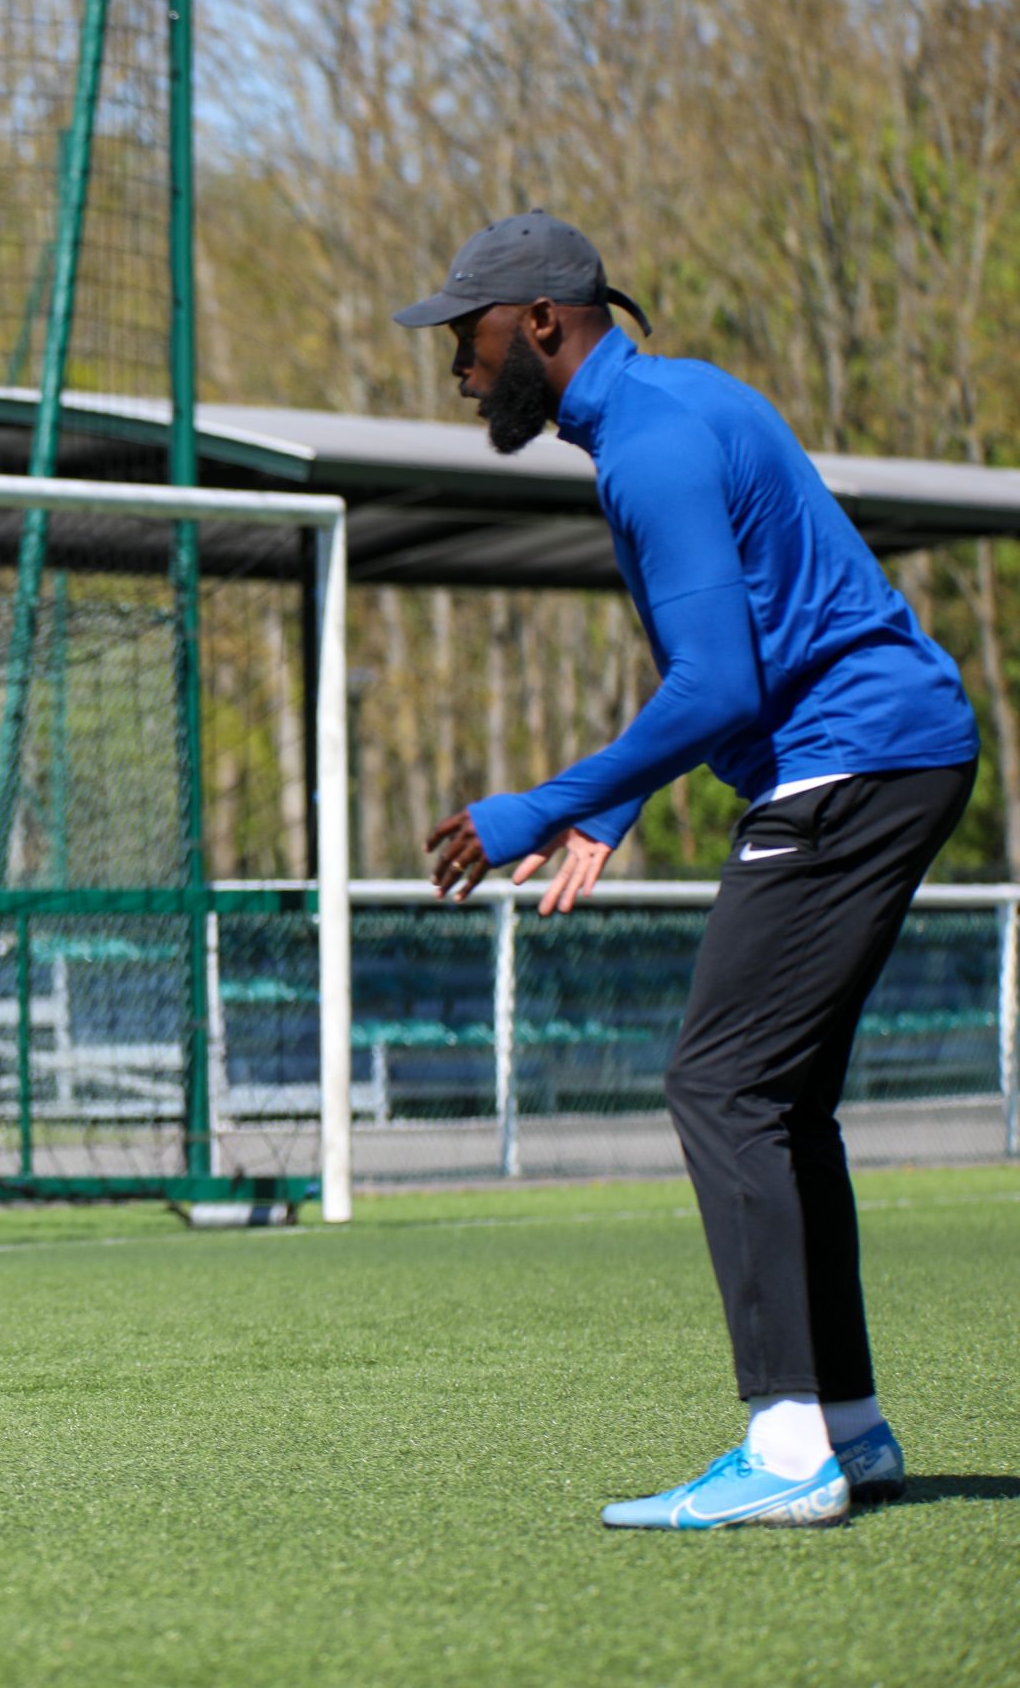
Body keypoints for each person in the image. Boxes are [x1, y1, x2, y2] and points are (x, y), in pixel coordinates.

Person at [395, 213, 979, 1529]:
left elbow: (722, 676)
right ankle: (847, 1426)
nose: (459, 367)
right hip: (893, 749)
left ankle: (786, 1449)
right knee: (779, 1098)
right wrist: (620, 799)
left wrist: (540, 804)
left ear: (541, 320)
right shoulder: (678, 399)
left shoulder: (649, 447)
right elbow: (742, 653)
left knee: (718, 1083)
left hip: (853, 762)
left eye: (469, 337)